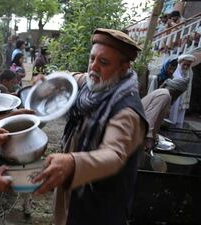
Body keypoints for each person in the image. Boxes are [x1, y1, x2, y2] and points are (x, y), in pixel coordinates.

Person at [32, 28, 148, 225]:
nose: (93, 67)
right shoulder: (91, 83)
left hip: (98, 196)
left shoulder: (126, 111)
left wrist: (73, 163)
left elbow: (113, 155)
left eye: (103, 62)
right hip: (73, 181)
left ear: (123, 68)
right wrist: (47, 81)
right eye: (92, 58)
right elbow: (68, 78)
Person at [142, 78, 189, 150]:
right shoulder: (164, 95)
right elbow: (149, 117)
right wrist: (149, 139)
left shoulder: (165, 95)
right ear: (177, 91)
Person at [169, 54, 196, 127]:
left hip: (183, 96)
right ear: (180, 62)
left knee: (179, 116)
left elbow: (188, 86)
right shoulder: (174, 70)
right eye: (184, 64)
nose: (186, 67)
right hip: (174, 95)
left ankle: (177, 128)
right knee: (172, 112)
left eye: (188, 65)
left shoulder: (190, 72)